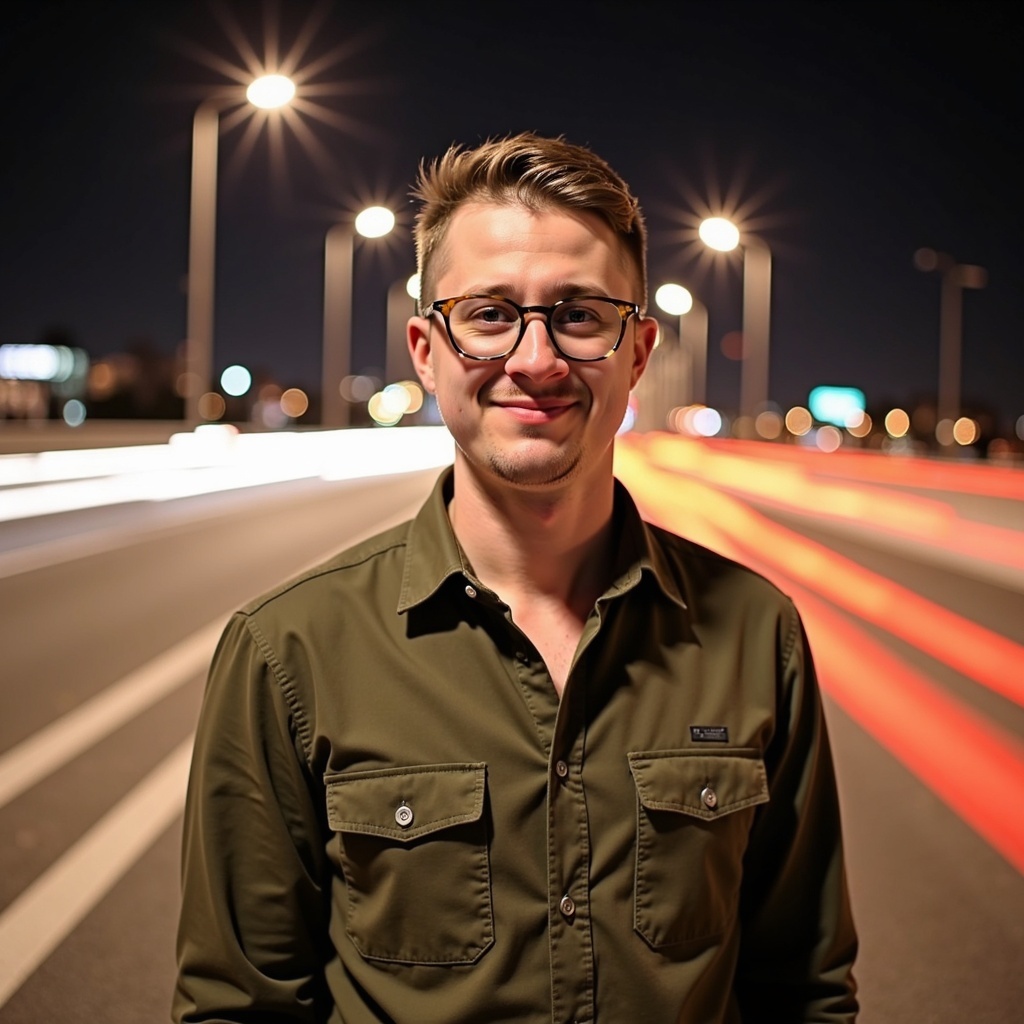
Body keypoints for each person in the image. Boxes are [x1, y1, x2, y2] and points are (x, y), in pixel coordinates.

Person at [173, 132, 858, 1023]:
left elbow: (803, 990)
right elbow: (237, 1006)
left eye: (581, 315)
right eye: (490, 314)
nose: (535, 361)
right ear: (426, 350)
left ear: (638, 351)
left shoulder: (758, 632)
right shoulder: (288, 651)